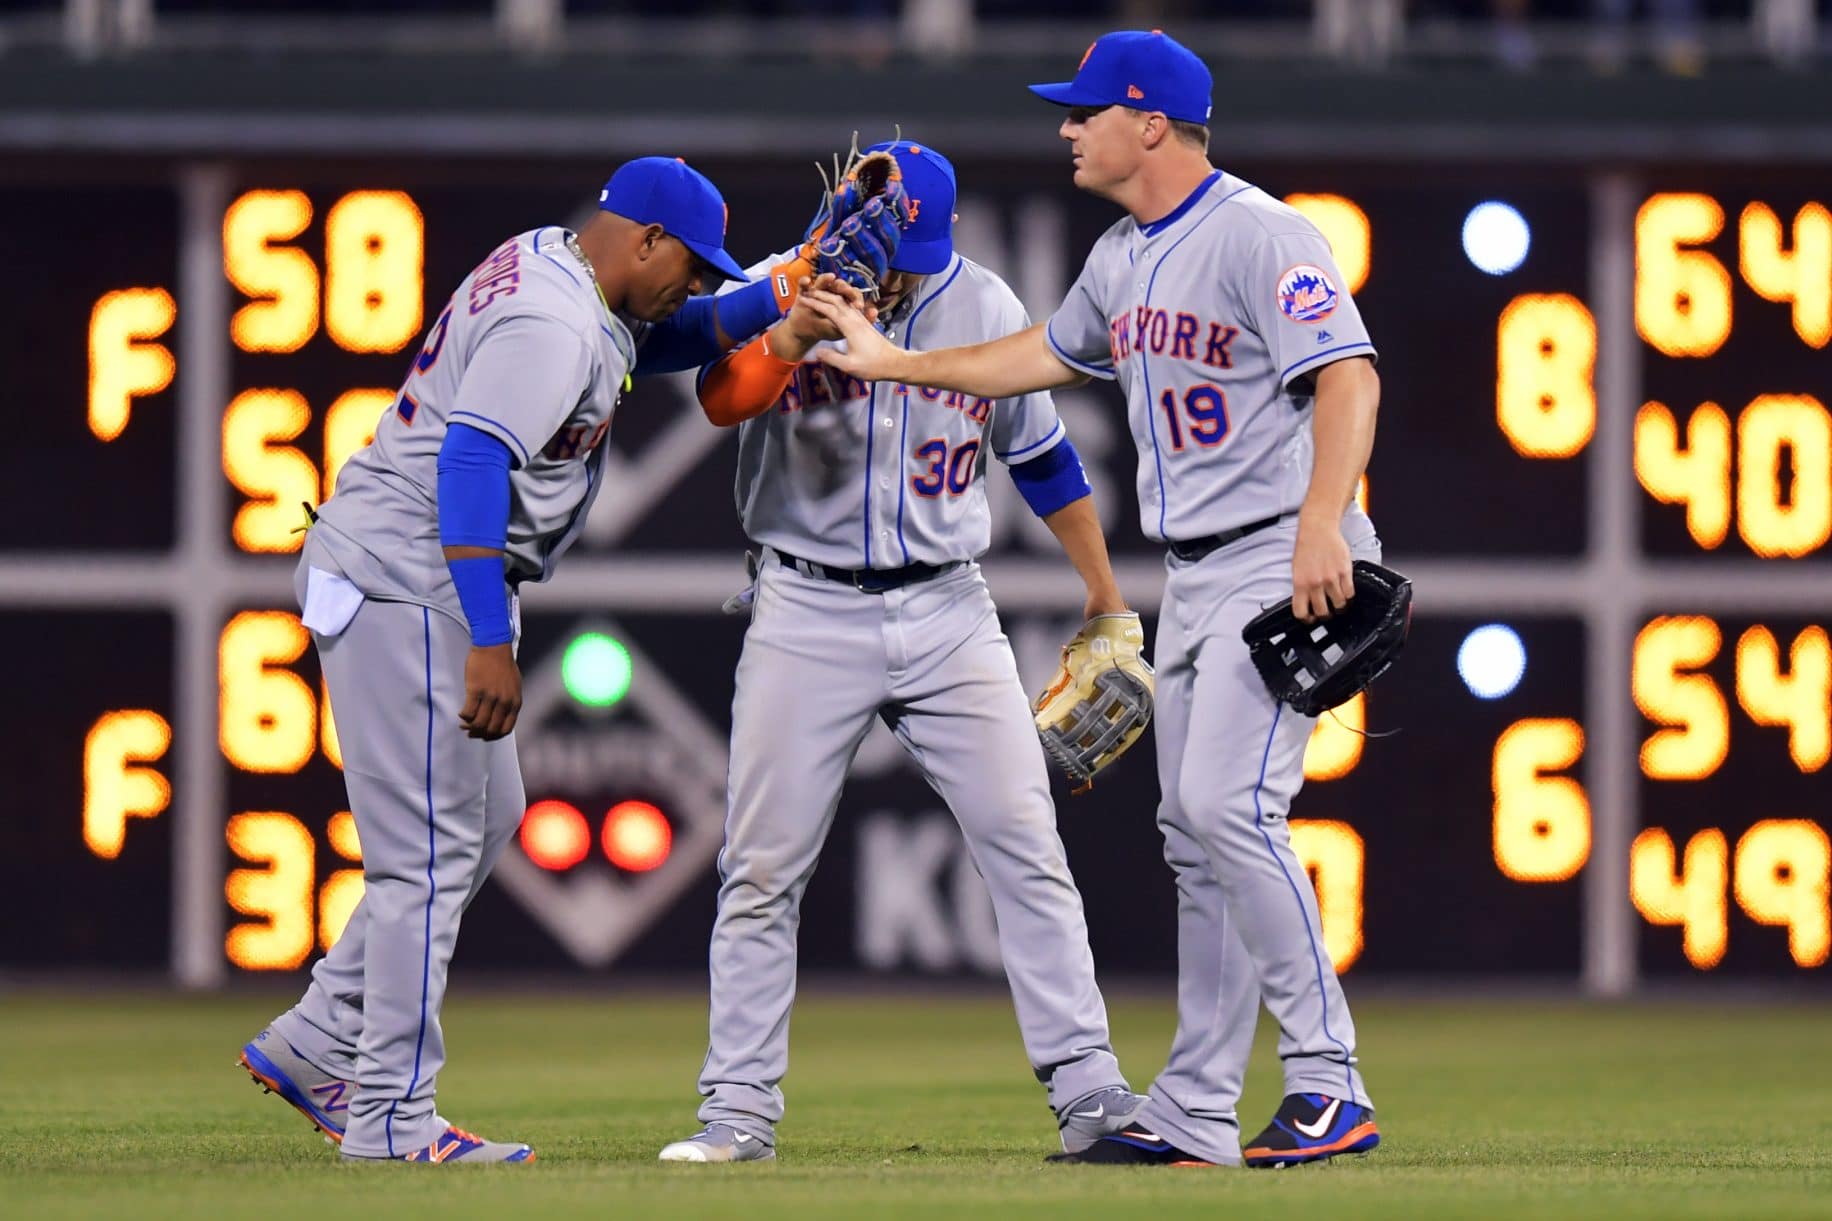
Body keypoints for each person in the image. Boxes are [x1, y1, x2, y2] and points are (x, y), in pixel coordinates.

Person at [804, 31, 1385, 1169]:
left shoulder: (1262, 233)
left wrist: (1323, 521)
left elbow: (1349, 374)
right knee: (1189, 834)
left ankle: (1329, 1081)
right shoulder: (1122, 257)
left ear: (1150, 123)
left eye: (1085, 112)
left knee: (1229, 812)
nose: (1066, 128)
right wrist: (891, 362)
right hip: (1199, 569)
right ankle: (1195, 1111)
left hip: (1279, 553)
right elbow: (1035, 358)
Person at [234, 157, 872, 1164]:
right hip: (417, 576)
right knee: (424, 861)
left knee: (485, 818)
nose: (695, 283)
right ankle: (391, 1120)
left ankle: (317, 1041)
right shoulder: (552, 321)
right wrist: (488, 635)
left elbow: (676, 335)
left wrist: (780, 290)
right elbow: (472, 460)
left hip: (401, 564)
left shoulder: (559, 267)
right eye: (689, 263)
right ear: (645, 241)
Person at [655, 138, 1146, 1164]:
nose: (902, 262)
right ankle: (737, 1112)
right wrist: (790, 325)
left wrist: (1102, 595)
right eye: (890, 241)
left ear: (950, 231)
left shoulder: (983, 302)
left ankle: (1091, 1094)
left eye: (920, 245)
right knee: (760, 869)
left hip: (947, 613)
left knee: (1025, 846)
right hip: (805, 607)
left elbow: (1043, 459)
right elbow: (717, 399)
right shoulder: (777, 283)